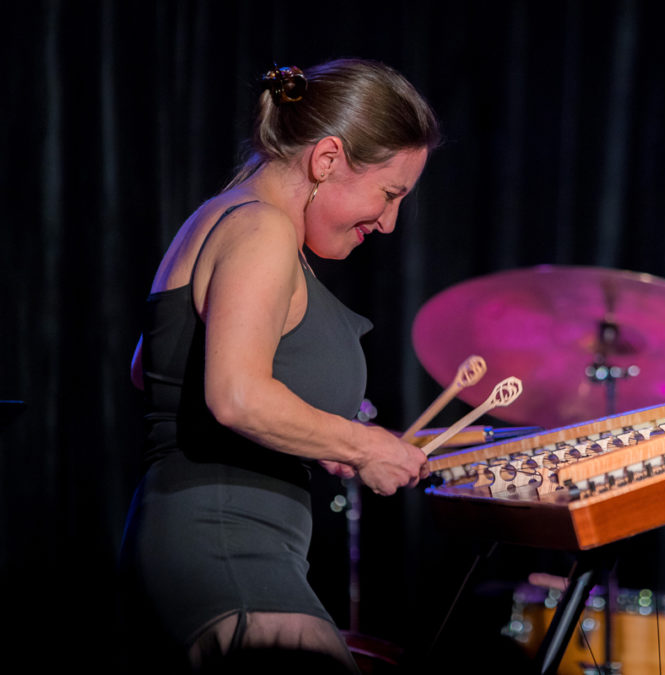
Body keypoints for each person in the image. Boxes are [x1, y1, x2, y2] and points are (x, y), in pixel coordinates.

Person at [120, 59, 440, 673]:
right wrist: (361, 445)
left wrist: (308, 436)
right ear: (326, 160)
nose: (390, 221)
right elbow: (235, 397)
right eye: (390, 193)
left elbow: (150, 370)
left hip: (190, 538)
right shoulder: (262, 228)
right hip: (228, 546)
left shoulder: (216, 217)